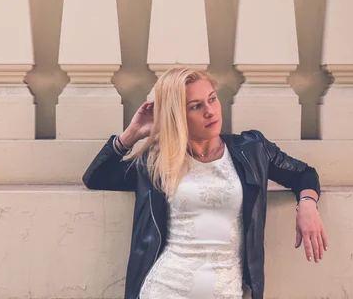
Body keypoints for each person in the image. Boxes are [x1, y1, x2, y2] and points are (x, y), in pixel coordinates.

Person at [82, 66, 327, 299]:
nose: (209, 111)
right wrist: (131, 134)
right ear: (177, 116)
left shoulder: (252, 150)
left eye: (212, 99)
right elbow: (97, 177)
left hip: (226, 291)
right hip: (165, 288)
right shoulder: (157, 161)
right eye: (196, 106)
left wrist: (307, 204)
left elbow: (303, 174)